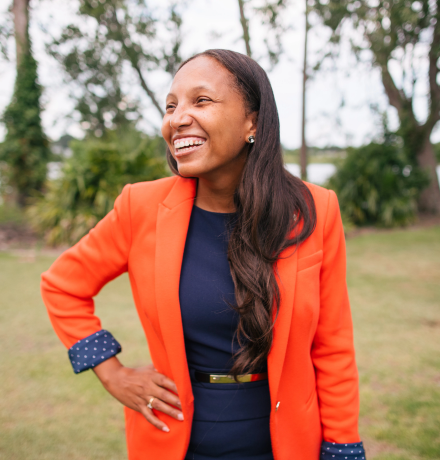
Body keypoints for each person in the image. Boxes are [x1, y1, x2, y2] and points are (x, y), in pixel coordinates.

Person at [41, 49, 366, 460]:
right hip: (174, 441)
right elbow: (61, 286)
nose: (177, 118)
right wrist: (112, 373)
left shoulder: (314, 209)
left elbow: (332, 343)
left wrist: (342, 446)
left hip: (288, 444)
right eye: (171, 106)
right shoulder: (139, 207)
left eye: (201, 101)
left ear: (253, 120)